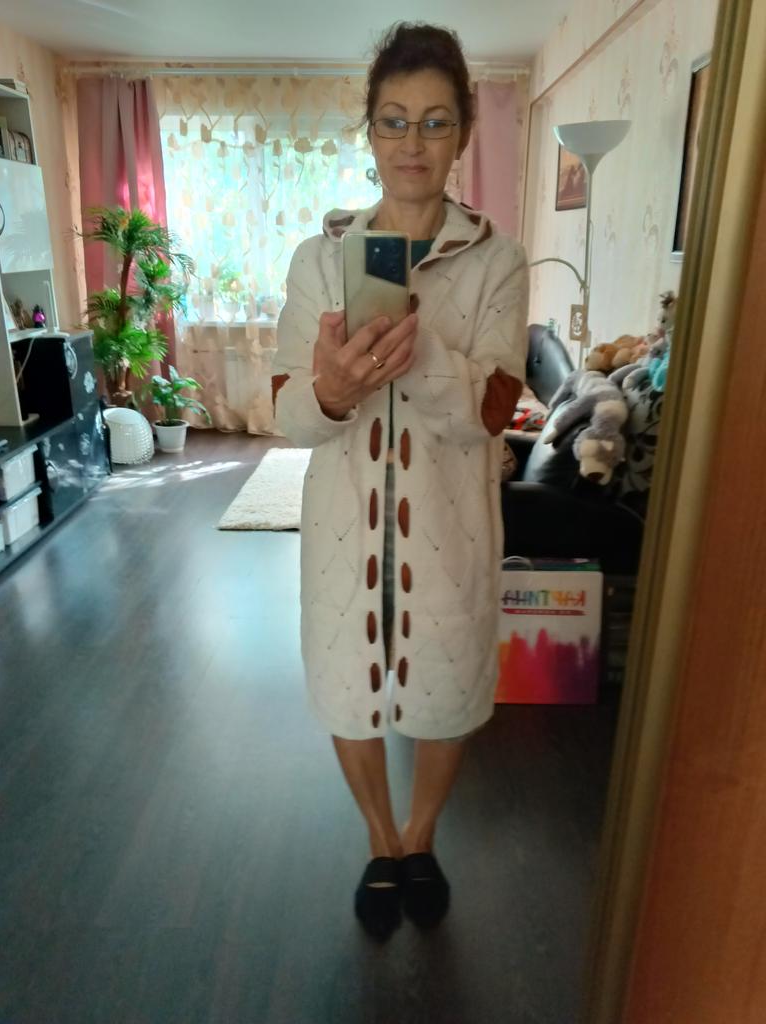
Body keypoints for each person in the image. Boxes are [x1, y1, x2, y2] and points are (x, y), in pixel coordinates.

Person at [272, 21, 529, 939]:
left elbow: (493, 408)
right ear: (370, 130)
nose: (411, 143)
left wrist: (414, 350)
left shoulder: (496, 260)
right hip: (346, 520)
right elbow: (285, 410)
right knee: (349, 678)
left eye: (434, 121)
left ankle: (421, 837)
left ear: (462, 134)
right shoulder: (318, 260)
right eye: (393, 120)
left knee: (449, 685)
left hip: (450, 524)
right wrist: (332, 393)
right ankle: (380, 841)